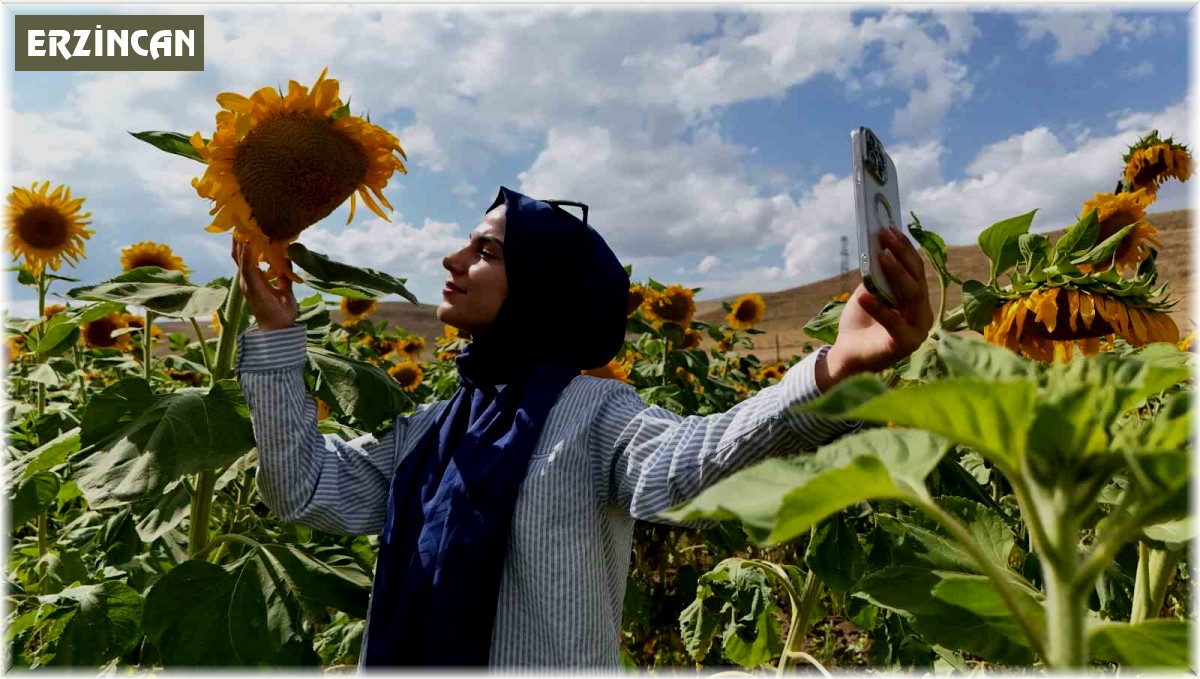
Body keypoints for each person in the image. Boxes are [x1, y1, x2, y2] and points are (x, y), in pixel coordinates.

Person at [232, 186, 933, 668]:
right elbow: (303, 487)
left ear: (541, 283)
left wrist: (833, 368)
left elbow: (689, 462)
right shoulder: (432, 431)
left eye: (486, 251)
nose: (452, 260)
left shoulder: (593, 414)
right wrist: (276, 335)